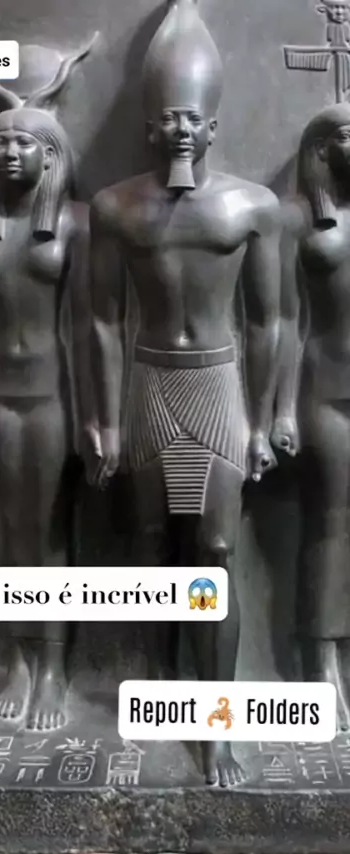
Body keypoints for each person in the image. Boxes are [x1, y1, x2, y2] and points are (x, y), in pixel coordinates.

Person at [85, 0, 281, 787]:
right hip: (149, 385)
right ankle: (163, 695)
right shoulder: (116, 208)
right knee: (154, 547)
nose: (179, 130)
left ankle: (215, 722)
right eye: (167, 118)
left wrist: (266, 419)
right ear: (148, 126)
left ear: (212, 125)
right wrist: (103, 419)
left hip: (217, 389)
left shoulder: (249, 207)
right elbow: (102, 319)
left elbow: (269, 321)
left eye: (190, 119)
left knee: (216, 553)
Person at [0, 53, 93, 732]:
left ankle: (55, 666)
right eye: (1, 142)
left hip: (54, 400)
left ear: (51, 155)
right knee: (10, 532)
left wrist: (94, 417)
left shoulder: (75, 224)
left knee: (49, 531)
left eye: (24, 143)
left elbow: (90, 327)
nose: (10, 152)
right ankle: (18, 655)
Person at [272, 102, 350, 731]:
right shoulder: (297, 219)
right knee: (331, 524)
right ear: (323, 149)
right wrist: (280, 410)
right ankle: (321, 657)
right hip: (324, 391)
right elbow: (285, 321)